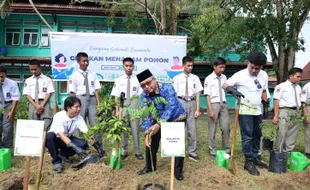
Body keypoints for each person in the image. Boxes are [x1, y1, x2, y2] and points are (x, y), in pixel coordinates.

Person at [222, 51, 269, 176]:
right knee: (247, 136)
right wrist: (231, 90)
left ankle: (255, 157)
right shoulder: (240, 75)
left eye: (257, 68)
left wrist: (266, 107)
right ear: (248, 63)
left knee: (257, 135)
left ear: (262, 67)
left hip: (258, 111)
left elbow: (264, 90)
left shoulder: (264, 75)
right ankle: (248, 161)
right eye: (251, 67)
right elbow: (225, 84)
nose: (253, 70)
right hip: (245, 111)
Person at [136, 69, 187, 181]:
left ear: (154, 79)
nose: (147, 87)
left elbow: (171, 107)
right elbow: (146, 115)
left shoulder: (167, 88)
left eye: (148, 83)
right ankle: (150, 167)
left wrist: (159, 124)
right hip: (158, 119)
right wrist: (147, 132)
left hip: (176, 118)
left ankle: (177, 172)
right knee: (151, 141)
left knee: (176, 144)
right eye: (143, 85)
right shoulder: (143, 96)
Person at [68, 52, 104, 153]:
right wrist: (75, 106)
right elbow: (73, 92)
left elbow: (96, 90)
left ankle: (100, 148)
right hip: (80, 100)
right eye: (83, 61)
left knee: (96, 125)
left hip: (92, 100)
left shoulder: (92, 74)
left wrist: (99, 104)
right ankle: (84, 148)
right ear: (78, 62)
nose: (86, 63)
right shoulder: (74, 75)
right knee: (80, 124)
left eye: (87, 61)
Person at [46, 96, 90, 173]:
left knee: (83, 144)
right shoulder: (59, 116)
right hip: (56, 139)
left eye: (80, 107)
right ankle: (57, 162)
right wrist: (75, 147)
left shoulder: (79, 118)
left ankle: (62, 154)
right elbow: (61, 135)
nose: (79, 109)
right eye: (76, 107)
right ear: (68, 108)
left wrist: (97, 146)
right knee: (50, 136)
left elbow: (87, 133)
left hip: (67, 138)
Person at [110, 57, 143, 160]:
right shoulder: (119, 80)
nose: (129, 68)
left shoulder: (138, 79)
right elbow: (116, 96)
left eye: (130, 66)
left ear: (133, 66)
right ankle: (124, 151)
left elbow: (141, 95)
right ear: (123, 66)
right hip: (122, 106)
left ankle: (137, 151)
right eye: (127, 66)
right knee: (123, 129)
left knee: (135, 129)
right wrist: (117, 110)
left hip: (134, 105)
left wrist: (140, 109)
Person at [173, 56, 203, 161]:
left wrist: (198, 109)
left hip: (192, 102)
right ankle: (179, 151)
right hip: (181, 102)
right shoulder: (177, 78)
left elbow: (198, 94)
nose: (190, 67)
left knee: (192, 129)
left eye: (192, 65)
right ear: (183, 65)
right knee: (180, 128)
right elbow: (174, 95)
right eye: (188, 65)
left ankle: (192, 152)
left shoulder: (195, 78)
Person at [204, 57, 230, 160]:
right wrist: (210, 110)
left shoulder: (224, 77)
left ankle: (226, 151)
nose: (222, 69)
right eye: (220, 67)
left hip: (223, 104)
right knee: (212, 128)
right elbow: (207, 95)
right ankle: (213, 152)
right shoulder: (209, 79)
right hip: (213, 104)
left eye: (224, 67)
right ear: (214, 67)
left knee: (226, 127)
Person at [273, 68, 303, 153]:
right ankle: (278, 152)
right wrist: (276, 115)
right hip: (285, 111)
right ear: (290, 76)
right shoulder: (281, 86)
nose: (299, 78)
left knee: (293, 133)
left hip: (296, 111)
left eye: (300, 77)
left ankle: (288, 151)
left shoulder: (298, 87)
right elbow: (276, 100)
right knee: (282, 132)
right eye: (298, 76)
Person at [0, 66, 20, 148]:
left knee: (7, 128)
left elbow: (15, 99)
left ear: (6, 75)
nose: (0, 78)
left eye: (2, 76)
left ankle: (7, 148)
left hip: (8, 105)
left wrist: (12, 112)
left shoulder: (12, 83)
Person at [301, 81, 310, 159]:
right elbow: (303, 103)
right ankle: (308, 151)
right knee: (308, 131)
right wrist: (306, 115)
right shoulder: (306, 87)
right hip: (309, 108)